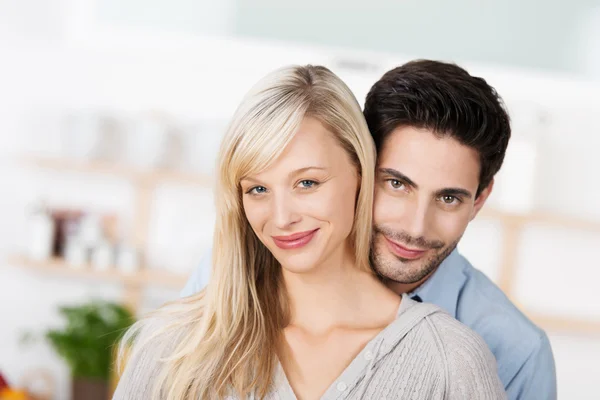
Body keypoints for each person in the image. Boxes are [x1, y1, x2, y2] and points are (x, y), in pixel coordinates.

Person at [114, 65, 505, 399]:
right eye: (258, 189)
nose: (282, 218)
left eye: (307, 183)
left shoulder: (452, 362)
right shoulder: (174, 346)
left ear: (360, 171)